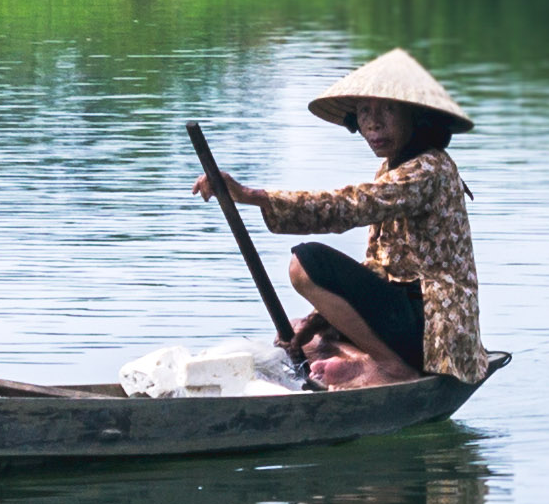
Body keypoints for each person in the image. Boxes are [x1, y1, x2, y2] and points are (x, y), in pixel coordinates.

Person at [191, 48, 489, 390]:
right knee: (303, 341)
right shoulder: (393, 168)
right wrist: (318, 322)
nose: (373, 124)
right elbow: (379, 267)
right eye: (364, 112)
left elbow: (350, 205)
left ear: (415, 117)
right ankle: (356, 362)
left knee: (304, 264)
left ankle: (392, 368)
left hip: (434, 327)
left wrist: (252, 196)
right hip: (407, 316)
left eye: (387, 110)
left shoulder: (429, 169)